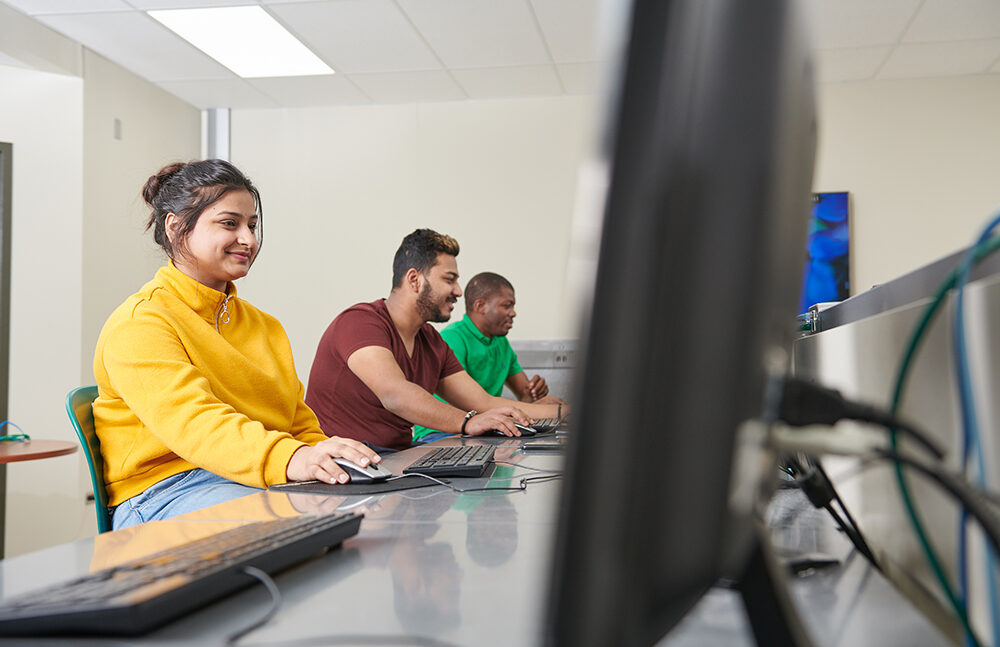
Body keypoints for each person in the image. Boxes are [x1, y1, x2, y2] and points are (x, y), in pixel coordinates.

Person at [93, 159, 380, 530]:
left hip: (251, 480)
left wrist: (324, 458)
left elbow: (298, 423)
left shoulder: (265, 327)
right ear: (176, 226)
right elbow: (195, 423)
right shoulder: (141, 322)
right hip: (164, 493)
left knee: (365, 512)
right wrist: (291, 459)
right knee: (307, 526)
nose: (248, 239)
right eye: (230, 223)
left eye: (252, 225)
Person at [305, 228, 563, 452]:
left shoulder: (431, 341)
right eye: (449, 280)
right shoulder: (360, 322)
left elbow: (483, 402)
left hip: (394, 461)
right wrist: (468, 421)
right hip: (343, 466)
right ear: (414, 280)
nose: (458, 292)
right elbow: (396, 395)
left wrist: (568, 413)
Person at [412, 272, 565, 442]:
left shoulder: (501, 343)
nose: (513, 313)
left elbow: (524, 395)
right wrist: (558, 411)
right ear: (480, 306)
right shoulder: (453, 338)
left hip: (484, 428)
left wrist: (534, 399)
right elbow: (474, 404)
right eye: (507, 305)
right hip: (441, 432)